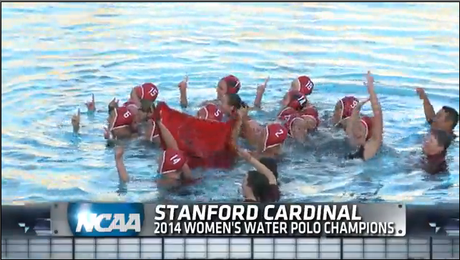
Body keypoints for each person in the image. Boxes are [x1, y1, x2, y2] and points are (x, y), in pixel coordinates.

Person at [345, 71, 383, 161]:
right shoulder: (351, 139)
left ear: (367, 134)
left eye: (361, 129)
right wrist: (357, 108)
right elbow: (352, 122)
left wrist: (371, 90)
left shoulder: (370, 148)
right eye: (357, 126)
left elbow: (378, 114)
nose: (356, 130)